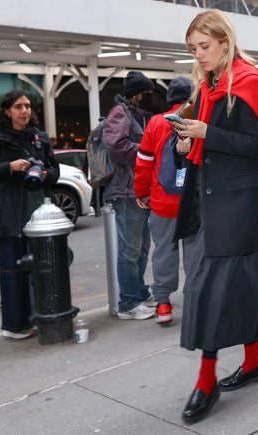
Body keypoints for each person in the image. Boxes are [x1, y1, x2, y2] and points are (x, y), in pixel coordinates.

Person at [172, 9, 258, 423]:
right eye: (193, 49)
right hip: (211, 199)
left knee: (207, 290)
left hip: (237, 205)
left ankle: (205, 381)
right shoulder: (209, 85)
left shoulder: (249, 80)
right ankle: (254, 361)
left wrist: (206, 134)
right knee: (238, 285)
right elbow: (199, 144)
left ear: (224, 41)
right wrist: (185, 143)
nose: (198, 55)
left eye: (204, 46)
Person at [0, 89, 60, 339]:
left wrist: (45, 175)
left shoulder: (39, 138)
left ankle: (42, 316)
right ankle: (14, 325)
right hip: (9, 213)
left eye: (28, 106)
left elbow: (54, 171)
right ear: (7, 110)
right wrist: (8, 167)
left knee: (42, 269)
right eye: (19, 106)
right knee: (13, 271)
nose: (25, 111)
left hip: (39, 212)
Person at [134, 76, 195, 324]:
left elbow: (144, 163)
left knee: (163, 253)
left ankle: (163, 304)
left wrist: (142, 192)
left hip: (162, 200)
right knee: (195, 255)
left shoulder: (156, 123)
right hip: (192, 202)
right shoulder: (195, 122)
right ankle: (194, 305)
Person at [104, 71, 156, 320]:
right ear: (137, 94)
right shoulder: (120, 113)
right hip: (126, 192)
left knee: (142, 247)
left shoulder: (138, 115)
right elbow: (116, 147)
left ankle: (138, 292)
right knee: (130, 249)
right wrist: (147, 149)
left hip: (139, 191)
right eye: (147, 93)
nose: (151, 97)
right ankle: (128, 303)